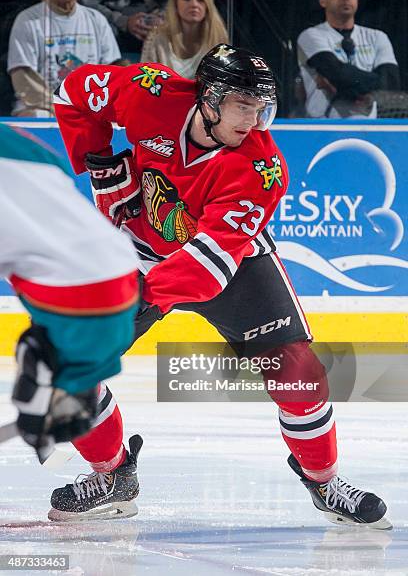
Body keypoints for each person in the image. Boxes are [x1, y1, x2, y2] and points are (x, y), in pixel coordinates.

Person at [52, 43, 390, 529]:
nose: (253, 120)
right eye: (242, 105)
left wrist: (139, 295)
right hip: (140, 249)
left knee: (298, 374)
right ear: (208, 98)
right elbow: (71, 93)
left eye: (260, 108)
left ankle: (324, 480)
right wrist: (103, 167)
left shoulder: (261, 167)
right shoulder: (150, 92)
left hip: (231, 265)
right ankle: (111, 478)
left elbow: (207, 267)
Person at [0, 121, 143, 516]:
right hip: (112, 278)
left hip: (98, 292)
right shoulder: (27, 151)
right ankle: (114, 470)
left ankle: (114, 471)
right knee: (74, 381)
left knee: (74, 380)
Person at [7, 0, 121, 117]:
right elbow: (24, 78)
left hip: (91, 107)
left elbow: (112, 73)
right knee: (37, 115)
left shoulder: (97, 20)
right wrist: (61, 108)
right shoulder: (27, 20)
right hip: (43, 107)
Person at [297, 0, 400, 118]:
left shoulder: (377, 37)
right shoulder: (310, 36)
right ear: (323, 0)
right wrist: (373, 84)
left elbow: (391, 83)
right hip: (321, 126)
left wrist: (343, 82)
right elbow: (336, 72)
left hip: (368, 127)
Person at [141, 0, 228, 79]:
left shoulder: (218, 39)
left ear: (207, 6)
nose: (194, 4)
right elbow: (145, 78)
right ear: (175, 4)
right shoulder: (157, 37)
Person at [79, 0, 174, 57]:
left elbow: (169, 1)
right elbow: (89, 4)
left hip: (150, 17)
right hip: (111, 20)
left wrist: (160, 18)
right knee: (98, 29)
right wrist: (124, 22)